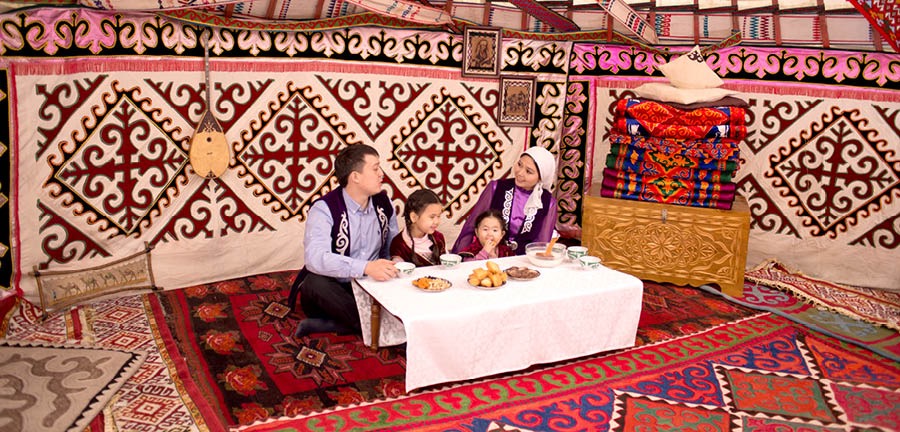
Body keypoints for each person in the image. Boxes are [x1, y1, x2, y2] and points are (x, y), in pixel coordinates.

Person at [289, 144, 400, 337]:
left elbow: (392, 246)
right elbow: (315, 258)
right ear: (355, 176)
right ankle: (383, 330)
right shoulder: (324, 209)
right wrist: (365, 268)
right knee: (314, 283)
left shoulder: (384, 204)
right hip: (335, 289)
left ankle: (334, 325)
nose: (381, 174)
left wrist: (396, 260)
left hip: (371, 286)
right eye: (375, 169)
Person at [452, 146, 558, 255]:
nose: (520, 173)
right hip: (487, 256)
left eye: (529, 171)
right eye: (519, 165)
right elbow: (471, 226)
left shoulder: (548, 203)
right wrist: (460, 258)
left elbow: (540, 245)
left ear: (541, 177)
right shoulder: (496, 188)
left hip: (522, 263)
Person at [390, 189, 446, 267]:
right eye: (432, 217)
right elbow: (399, 273)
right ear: (414, 217)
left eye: (439, 216)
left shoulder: (438, 238)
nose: (436, 221)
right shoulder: (399, 244)